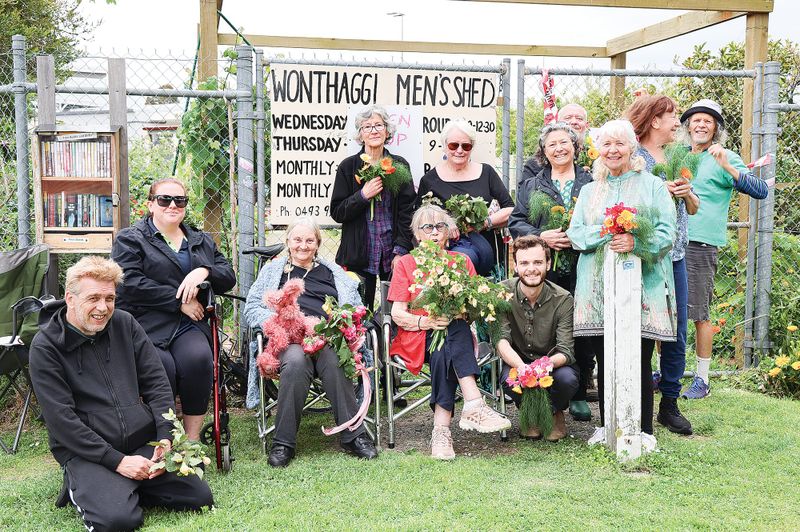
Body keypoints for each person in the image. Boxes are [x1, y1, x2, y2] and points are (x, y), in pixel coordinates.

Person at [29, 256, 213, 532]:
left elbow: (157, 383)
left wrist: (164, 437)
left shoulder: (125, 323)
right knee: (118, 522)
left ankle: (123, 486)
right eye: (93, 298)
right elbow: (61, 420)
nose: (103, 308)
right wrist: (118, 462)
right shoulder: (45, 347)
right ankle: (90, 484)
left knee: (199, 498)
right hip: (89, 453)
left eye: (110, 298)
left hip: (140, 441)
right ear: (70, 298)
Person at [566, 119, 677, 451]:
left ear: (633, 147)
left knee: (640, 356)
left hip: (643, 281)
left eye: (620, 144)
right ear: (599, 150)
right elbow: (575, 233)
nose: (613, 150)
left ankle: (643, 428)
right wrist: (606, 232)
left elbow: (665, 232)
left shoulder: (652, 185)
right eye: (607, 144)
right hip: (597, 282)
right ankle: (606, 424)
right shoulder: (590, 189)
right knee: (603, 354)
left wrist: (635, 241)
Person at [243, 217, 378, 467]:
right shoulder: (273, 271)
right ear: (287, 242)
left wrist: (338, 322)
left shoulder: (333, 273)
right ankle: (283, 443)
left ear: (317, 243)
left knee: (335, 358)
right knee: (295, 361)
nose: (302, 246)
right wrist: (279, 321)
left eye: (309, 240)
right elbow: (251, 309)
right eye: (297, 239)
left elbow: (355, 308)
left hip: (326, 336)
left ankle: (354, 436)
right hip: (289, 338)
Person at [111, 177, 236, 441]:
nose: (172, 205)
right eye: (164, 199)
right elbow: (129, 283)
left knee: (199, 360)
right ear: (150, 205)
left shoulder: (200, 240)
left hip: (189, 324)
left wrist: (205, 270)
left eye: (179, 200)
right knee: (162, 368)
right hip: (146, 322)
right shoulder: (130, 239)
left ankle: (190, 442)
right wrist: (178, 301)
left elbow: (228, 275)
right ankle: (165, 440)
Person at [388, 204, 511, 460]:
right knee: (449, 336)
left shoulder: (461, 261)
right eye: (428, 227)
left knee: (452, 333)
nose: (434, 232)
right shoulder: (406, 264)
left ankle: (441, 432)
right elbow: (398, 314)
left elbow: (474, 308)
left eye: (440, 226)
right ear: (417, 234)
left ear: (449, 232)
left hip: (455, 336)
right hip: (417, 336)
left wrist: (462, 311)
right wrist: (426, 323)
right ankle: (473, 403)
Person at [681, 99, 769, 399]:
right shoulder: (678, 155)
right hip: (670, 242)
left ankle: (702, 380)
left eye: (708, 121)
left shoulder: (724, 156)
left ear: (716, 128)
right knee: (666, 311)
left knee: (699, 314)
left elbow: (760, 191)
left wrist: (727, 166)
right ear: (688, 126)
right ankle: (667, 373)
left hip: (701, 243)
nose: (701, 125)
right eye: (696, 120)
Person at [508, 122, 594, 422]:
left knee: (581, 330)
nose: (559, 148)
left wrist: (579, 236)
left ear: (575, 146)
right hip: (545, 270)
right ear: (543, 152)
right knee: (545, 328)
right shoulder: (532, 186)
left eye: (564, 142)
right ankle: (539, 393)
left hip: (583, 266)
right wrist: (542, 236)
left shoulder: (591, 182)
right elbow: (516, 222)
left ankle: (579, 392)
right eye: (552, 144)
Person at [625, 95, 699, 434]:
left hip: (676, 256)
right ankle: (639, 403)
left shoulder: (677, 157)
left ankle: (669, 404)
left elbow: (694, 208)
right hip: (643, 256)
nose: (677, 125)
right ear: (654, 120)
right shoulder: (632, 157)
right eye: (672, 117)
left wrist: (685, 193)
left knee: (677, 332)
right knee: (643, 333)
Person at [330, 105, 416, 310]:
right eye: (367, 127)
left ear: (387, 131)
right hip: (359, 255)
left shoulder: (399, 166)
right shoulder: (348, 167)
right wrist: (362, 196)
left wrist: (401, 250)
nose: (373, 130)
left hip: (392, 253)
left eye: (378, 125)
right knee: (359, 312)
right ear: (360, 135)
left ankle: (389, 341)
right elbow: (337, 212)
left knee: (395, 311)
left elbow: (408, 212)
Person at [496, 235, 579, 441]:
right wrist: (523, 368)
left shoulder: (563, 299)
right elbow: (501, 340)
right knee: (509, 378)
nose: (531, 269)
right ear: (515, 266)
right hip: (518, 360)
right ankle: (530, 412)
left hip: (553, 364)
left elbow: (566, 349)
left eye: (538, 262)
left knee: (568, 379)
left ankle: (553, 412)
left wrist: (543, 366)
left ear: (548, 264)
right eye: (524, 263)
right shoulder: (501, 293)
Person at [417, 119, 514, 276]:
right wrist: (445, 226)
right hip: (446, 254)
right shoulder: (429, 180)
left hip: (487, 249)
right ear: (444, 146)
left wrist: (484, 223)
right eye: (453, 145)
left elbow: (510, 209)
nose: (460, 150)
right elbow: (420, 221)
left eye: (466, 146)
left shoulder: (487, 173)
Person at [518, 103, 590, 190]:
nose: (574, 122)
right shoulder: (535, 165)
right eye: (568, 118)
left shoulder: (597, 158)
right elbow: (525, 196)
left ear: (587, 125)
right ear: (557, 123)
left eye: (579, 118)